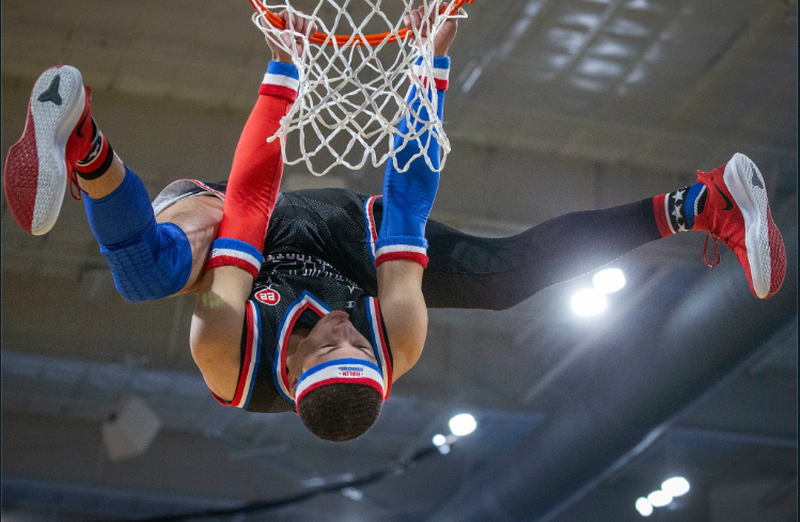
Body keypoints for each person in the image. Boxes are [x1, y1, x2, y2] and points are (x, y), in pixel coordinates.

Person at [3, 8, 786, 442]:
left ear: (294, 363)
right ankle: (702, 203)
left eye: (331, 342)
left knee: (150, 275)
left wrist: (285, 71)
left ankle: (82, 142)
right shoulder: (395, 340)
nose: (347, 327)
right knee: (500, 279)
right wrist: (431, 64)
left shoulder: (226, 353)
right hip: (350, 232)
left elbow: (246, 202)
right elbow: (407, 198)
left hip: (239, 227)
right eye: (359, 345)